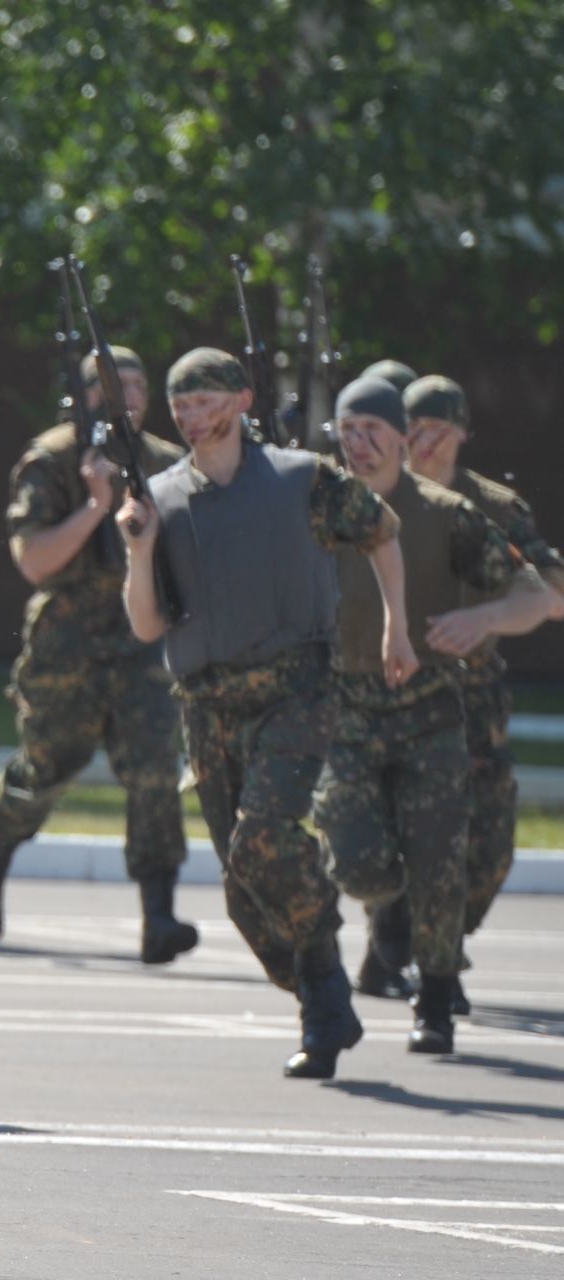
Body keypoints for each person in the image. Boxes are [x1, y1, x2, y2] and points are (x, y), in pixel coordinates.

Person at [118, 348, 413, 1080]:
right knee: (241, 886)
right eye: (179, 404)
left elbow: (381, 528)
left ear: (243, 398)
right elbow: (148, 627)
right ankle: (319, 981)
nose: (190, 415)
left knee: (263, 839)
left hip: (295, 690)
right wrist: (139, 547)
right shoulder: (159, 495)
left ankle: (322, 998)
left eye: (205, 399)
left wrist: (395, 626)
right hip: (207, 705)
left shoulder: (299, 477)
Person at [312, 375, 551, 1056]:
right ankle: (388, 914)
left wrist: (484, 616)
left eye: (374, 432)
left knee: (442, 862)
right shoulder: (318, 508)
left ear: (399, 437)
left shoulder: (446, 512)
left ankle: (437, 1001)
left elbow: (532, 592)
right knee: (355, 859)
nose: (359, 446)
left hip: (432, 716)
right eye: (347, 432)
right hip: (350, 713)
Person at [0, 346, 197, 963]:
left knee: (153, 770)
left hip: (140, 637)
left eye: (137, 388)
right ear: (84, 395)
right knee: (46, 768)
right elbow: (34, 560)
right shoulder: (53, 459)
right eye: (111, 388)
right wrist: (95, 504)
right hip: (67, 641)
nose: (126, 400)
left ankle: (160, 914)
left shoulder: (169, 466)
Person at [399, 375, 564, 1014]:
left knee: (490, 846)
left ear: (463, 433)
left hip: (474, 698)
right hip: (396, 694)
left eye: (439, 430)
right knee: (398, 834)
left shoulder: (494, 506)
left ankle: (438, 944)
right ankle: (422, 958)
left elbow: (549, 587)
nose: (426, 443)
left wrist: (503, 608)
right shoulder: (377, 495)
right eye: (414, 429)